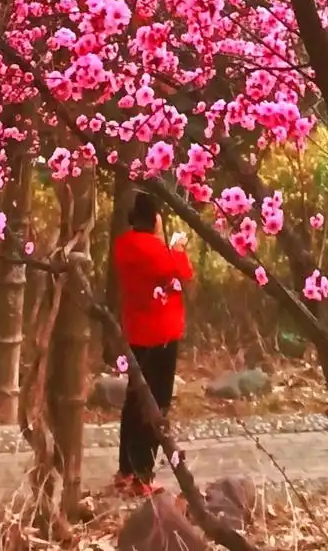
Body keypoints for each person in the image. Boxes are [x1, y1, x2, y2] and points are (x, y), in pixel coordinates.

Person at [113, 191, 194, 491]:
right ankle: (143, 473)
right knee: (155, 403)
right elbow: (182, 271)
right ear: (155, 218)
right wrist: (178, 248)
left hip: (136, 333)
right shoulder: (155, 250)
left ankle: (126, 469)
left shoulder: (124, 245)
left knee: (134, 399)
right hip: (161, 336)